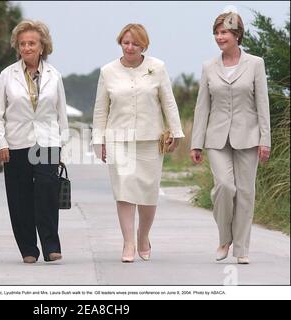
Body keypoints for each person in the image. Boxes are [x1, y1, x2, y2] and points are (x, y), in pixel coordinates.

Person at [92, 23, 184, 263]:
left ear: (144, 45)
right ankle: (128, 242)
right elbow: (101, 109)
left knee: (148, 194)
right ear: (120, 43)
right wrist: (98, 140)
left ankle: (143, 236)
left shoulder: (158, 68)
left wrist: (176, 131)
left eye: (135, 43)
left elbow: (169, 102)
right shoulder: (108, 71)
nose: (130, 47)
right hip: (118, 139)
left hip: (150, 140)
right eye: (126, 42)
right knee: (124, 192)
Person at [190, 12, 271, 264]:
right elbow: (202, 106)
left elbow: (262, 104)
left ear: (237, 35)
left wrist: (265, 139)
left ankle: (242, 249)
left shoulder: (255, 64)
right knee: (224, 186)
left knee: (246, 192)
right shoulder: (208, 66)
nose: (219, 37)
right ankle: (225, 237)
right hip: (216, 138)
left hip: (248, 136)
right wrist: (196, 142)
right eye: (216, 33)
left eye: (224, 32)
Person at [0, 20, 68, 264]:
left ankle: (51, 246)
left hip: (47, 143)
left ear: (42, 46)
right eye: (22, 44)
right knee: (19, 196)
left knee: (47, 192)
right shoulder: (7, 75)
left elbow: (61, 115)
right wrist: (1, 143)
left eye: (32, 43)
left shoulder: (54, 76)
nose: (27, 48)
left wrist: (61, 146)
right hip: (16, 144)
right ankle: (28, 249)